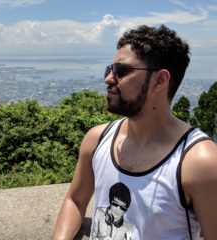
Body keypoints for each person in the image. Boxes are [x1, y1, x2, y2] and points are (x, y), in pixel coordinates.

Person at [53, 25, 217, 240]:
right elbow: (75, 200)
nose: (109, 79)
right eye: (109, 69)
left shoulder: (199, 162)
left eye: (121, 71)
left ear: (160, 80)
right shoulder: (97, 139)